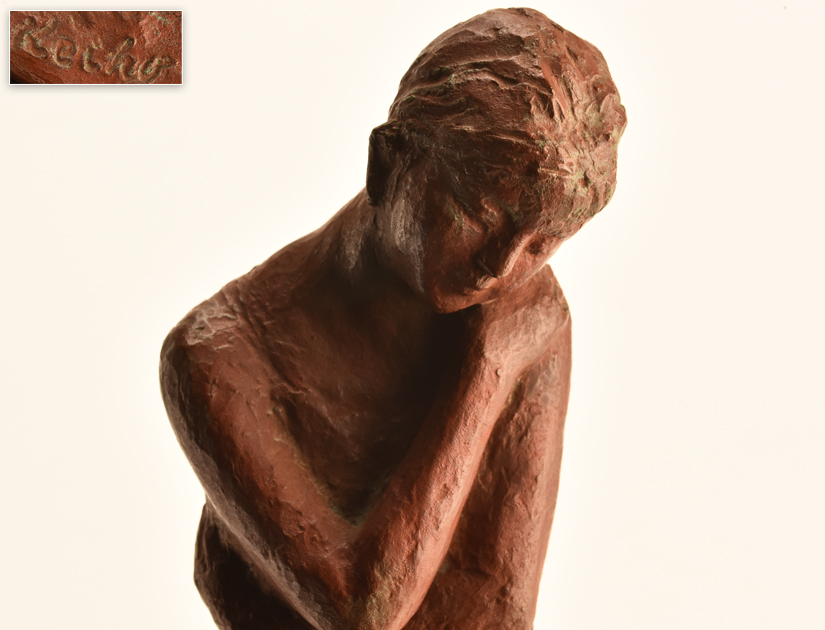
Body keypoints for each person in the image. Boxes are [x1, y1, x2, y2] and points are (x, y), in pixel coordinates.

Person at [160, 8, 626, 630]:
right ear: (388, 162)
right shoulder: (216, 356)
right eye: (479, 212)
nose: (499, 266)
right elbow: (361, 610)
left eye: (541, 244)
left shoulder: (524, 312)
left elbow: (502, 609)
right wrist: (484, 372)